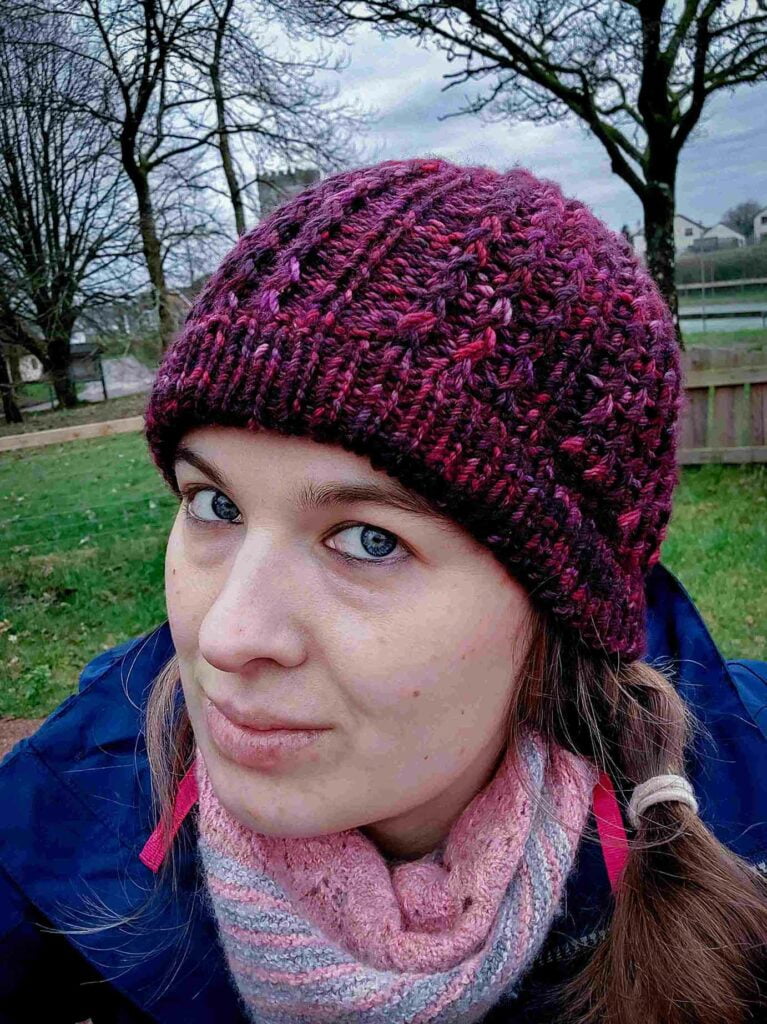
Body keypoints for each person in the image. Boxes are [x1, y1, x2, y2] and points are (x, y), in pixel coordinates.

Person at [1, 158, 766, 1024]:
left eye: (370, 540)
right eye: (214, 505)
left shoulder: (749, 805)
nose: (225, 635)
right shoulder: (45, 831)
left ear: (561, 605)